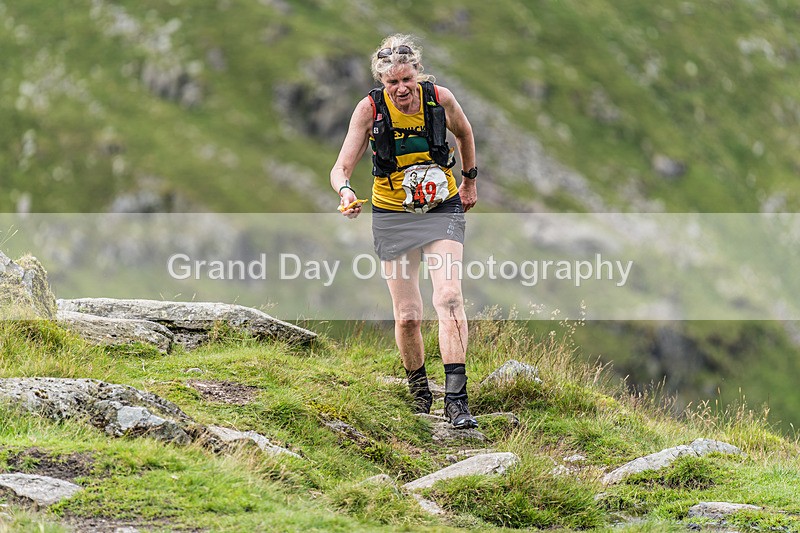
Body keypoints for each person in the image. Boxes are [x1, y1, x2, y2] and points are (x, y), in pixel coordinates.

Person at [330, 34, 479, 429]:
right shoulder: (369, 109)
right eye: (391, 82)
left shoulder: (440, 99)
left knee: (448, 297)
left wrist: (469, 181)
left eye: (406, 80)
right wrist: (345, 193)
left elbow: (464, 134)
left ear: (418, 74)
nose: (400, 89)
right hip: (392, 214)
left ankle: (457, 401)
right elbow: (340, 168)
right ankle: (418, 392)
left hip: (440, 207)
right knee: (409, 315)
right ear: (381, 81)